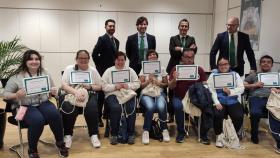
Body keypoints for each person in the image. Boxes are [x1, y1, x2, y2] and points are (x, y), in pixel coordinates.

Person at [3, 50, 68, 158]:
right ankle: (32, 150)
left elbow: (52, 90)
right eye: (31, 59)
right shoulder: (17, 76)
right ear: (25, 61)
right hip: (24, 106)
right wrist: (16, 95)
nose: (34, 61)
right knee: (37, 120)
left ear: (40, 61)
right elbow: (5, 94)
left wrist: (53, 91)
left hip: (43, 102)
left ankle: (60, 143)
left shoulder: (45, 72)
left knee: (55, 114)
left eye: (37, 59)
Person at [61, 50, 102, 148]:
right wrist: (76, 92)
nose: (83, 60)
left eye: (85, 58)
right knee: (67, 108)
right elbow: (63, 85)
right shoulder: (69, 68)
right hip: (72, 93)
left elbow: (100, 86)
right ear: (76, 59)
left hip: (88, 94)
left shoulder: (93, 70)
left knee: (92, 108)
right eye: (80, 58)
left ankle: (93, 135)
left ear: (89, 59)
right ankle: (67, 135)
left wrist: (90, 87)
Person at [168, 48, 206, 143]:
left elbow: (205, 85)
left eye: (191, 57)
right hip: (179, 96)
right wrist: (174, 79)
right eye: (187, 57)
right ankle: (181, 132)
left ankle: (202, 132)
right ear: (182, 58)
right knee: (178, 106)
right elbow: (171, 87)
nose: (189, 59)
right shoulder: (175, 69)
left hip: (194, 97)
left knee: (205, 104)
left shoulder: (199, 69)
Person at [244, 55, 280, 153]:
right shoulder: (254, 75)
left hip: (272, 98)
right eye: (263, 61)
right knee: (255, 113)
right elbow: (242, 84)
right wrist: (254, 85)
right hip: (256, 97)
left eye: (268, 62)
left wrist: (277, 89)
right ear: (260, 64)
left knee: (277, 114)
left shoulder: (277, 76)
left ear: (272, 64)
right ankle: (254, 134)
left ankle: (278, 141)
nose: (266, 63)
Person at [102, 51, 140, 145]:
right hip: (112, 94)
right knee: (116, 108)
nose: (120, 62)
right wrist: (114, 87)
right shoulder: (109, 71)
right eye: (118, 60)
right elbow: (103, 86)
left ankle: (131, 134)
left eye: (122, 60)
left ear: (125, 60)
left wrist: (128, 86)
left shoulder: (130, 70)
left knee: (131, 108)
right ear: (114, 60)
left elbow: (137, 83)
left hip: (127, 93)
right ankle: (114, 134)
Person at [207, 58, 244, 148]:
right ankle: (219, 136)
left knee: (238, 116)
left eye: (225, 64)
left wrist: (230, 91)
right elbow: (211, 90)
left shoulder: (235, 75)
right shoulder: (213, 75)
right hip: (220, 101)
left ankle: (232, 134)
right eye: (221, 64)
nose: (223, 66)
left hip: (232, 100)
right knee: (217, 114)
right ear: (218, 66)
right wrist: (216, 102)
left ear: (229, 65)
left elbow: (241, 88)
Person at [166, 18, 197, 123]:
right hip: (173, 66)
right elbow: (172, 52)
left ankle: (186, 113)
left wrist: (180, 48)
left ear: (188, 28)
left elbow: (193, 52)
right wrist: (187, 49)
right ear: (178, 27)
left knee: (187, 91)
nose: (184, 28)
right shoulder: (173, 38)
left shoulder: (192, 38)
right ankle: (171, 114)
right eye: (182, 26)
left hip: (188, 68)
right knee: (171, 92)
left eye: (186, 26)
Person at [92, 19, 120, 127]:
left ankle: (106, 114)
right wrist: (100, 67)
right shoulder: (102, 39)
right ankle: (98, 118)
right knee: (101, 95)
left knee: (111, 92)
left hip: (113, 71)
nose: (112, 28)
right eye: (109, 26)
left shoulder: (116, 41)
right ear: (105, 27)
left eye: (113, 26)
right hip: (103, 71)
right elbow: (95, 54)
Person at [139, 50, 170, 144]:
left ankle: (164, 129)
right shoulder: (143, 68)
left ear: (157, 57)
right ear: (147, 58)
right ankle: (146, 131)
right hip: (146, 93)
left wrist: (158, 83)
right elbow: (140, 85)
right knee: (150, 107)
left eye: (154, 55)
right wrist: (148, 80)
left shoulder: (162, 68)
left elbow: (166, 84)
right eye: (150, 55)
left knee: (161, 107)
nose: (152, 56)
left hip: (159, 93)